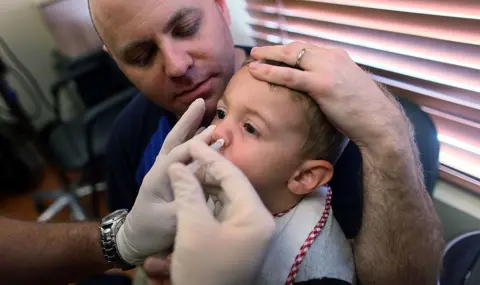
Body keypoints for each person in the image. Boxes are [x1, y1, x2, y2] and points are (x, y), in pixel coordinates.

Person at [87, 0, 444, 284]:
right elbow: (130, 253)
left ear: (221, 6)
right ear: (116, 61)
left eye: (186, 28)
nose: (177, 66)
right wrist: (151, 261)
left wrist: (388, 135)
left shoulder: (322, 125)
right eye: (140, 56)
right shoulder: (129, 135)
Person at [0, 100, 276, 285]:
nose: (219, 134)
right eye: (222, 113)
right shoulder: (130, 137)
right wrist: (131, 245)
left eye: (250, 128)